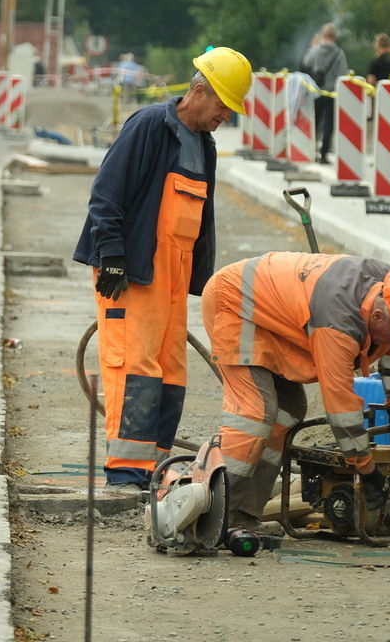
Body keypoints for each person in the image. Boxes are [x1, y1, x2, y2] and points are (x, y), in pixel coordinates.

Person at [73, 46, 253, 493]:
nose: (225, 116)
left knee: (169, 372)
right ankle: (125, 471)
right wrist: (111, 257)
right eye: (222, 105)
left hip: (172, 277)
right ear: (197, 91)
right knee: (132, 366)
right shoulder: (151, 126)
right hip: (133, 271)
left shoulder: (203, 147)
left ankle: (156, 467)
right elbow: (106, 195)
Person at [201, 252, 390, 532]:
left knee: (289, 410)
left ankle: (242, 517)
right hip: (233, 302)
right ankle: (205, 511)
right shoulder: (338, 325)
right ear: (376, 317)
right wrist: (367, 471)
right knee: (256, 415)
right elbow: (341, 410)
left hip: (268, 308)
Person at [301, 23, 348, 164]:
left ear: (323, 35)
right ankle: (324, 154)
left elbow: (306, 61)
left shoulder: (316, 50)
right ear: (335, 36)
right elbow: (343, 73)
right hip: (332, 93)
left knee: (315, 121)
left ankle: (311, 150)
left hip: (317, 91)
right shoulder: (339, 53)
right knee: (329, 124)